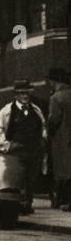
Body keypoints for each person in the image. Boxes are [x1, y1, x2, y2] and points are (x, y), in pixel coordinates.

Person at [0, 79, 47, 216]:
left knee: (31, 177)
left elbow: (42, 125)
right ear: (15, 95)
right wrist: (6, 146)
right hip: (16, 151)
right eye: (22, 93)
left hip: (33, 150)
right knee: (17, 177)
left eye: (27, 94)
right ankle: (19, 204)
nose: (25, 96)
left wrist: (42, 139)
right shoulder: (7, 111)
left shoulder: (35, 110)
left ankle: (28, 203)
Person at [45, 66, 71, 211]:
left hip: (62, 139)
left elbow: (54, 120)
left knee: (63, 170)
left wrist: (48, 133)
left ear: (53, 81)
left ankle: (63, 200)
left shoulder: (56, 97)